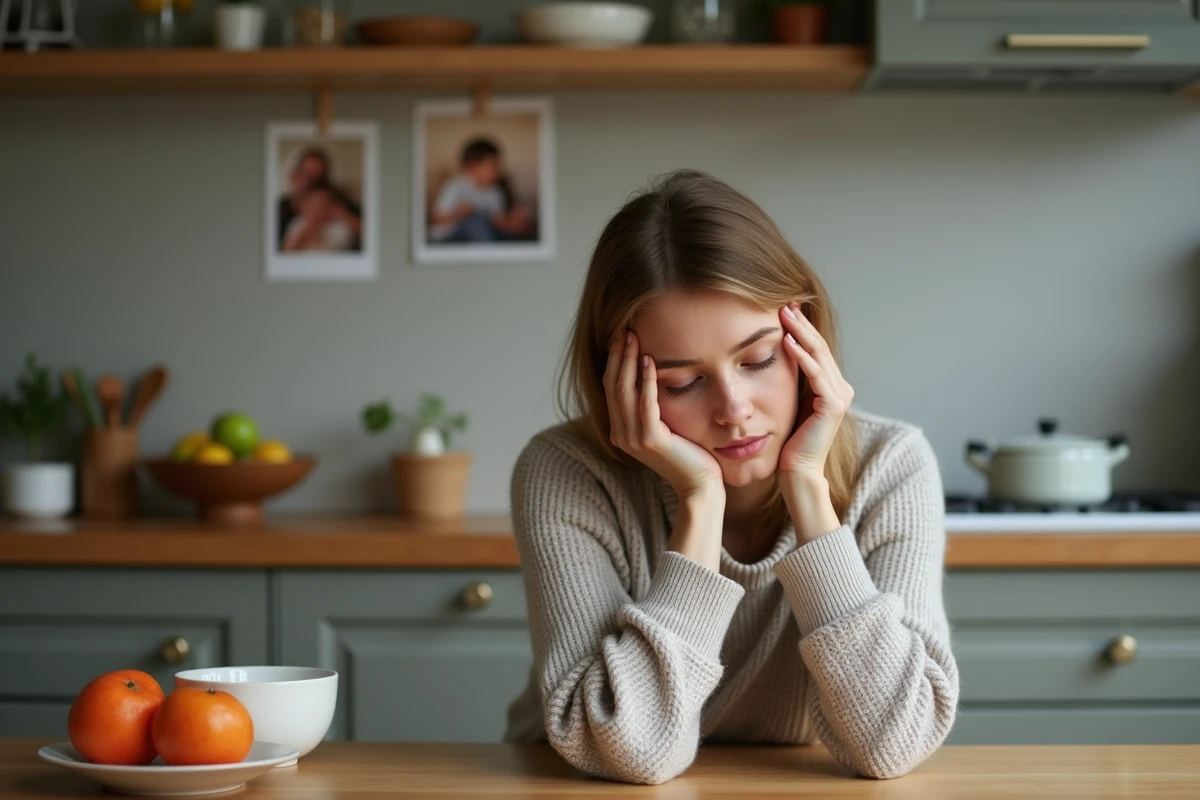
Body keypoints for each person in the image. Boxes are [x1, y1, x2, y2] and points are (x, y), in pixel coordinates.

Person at [502, 169, 959, 785]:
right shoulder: (567, 473)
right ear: (619, 382)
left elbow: (893, 743)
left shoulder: (892, 466)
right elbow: (627, 752)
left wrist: (808, 490)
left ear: (808, 341)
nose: (734, 408)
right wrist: (699, 503)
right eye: (682, 382)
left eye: (759, 359)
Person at [427, 137, 534, 244]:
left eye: (497, 166)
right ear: (471, 167)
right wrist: (459, 213)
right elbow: (436, 219)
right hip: (447, 238)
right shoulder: (456, 186)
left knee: (508, 233)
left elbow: (498, 221)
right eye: (491, 167)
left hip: (483, 236)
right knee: (475, 222)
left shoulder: (495, 191)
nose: (497, 171)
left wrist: (513, 222)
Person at [277, 146, 362, 251]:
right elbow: (286, 250)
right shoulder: (289, 218)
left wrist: (342, 215)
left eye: (319, 178)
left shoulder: (341, 215)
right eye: (308, 176)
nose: (312, 183)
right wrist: (311, 225)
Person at [280, 177, 360, 252]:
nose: (319, 209)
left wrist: (343, 215)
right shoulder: (299, 223)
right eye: (315, 205)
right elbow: (288, 250)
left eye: (324, 204)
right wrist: (310, 227)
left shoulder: (338, 224)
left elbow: (364, 234)